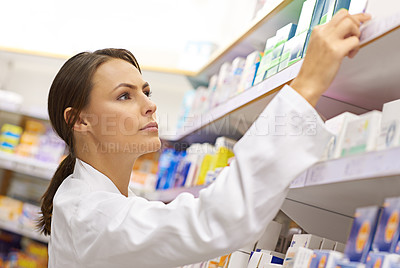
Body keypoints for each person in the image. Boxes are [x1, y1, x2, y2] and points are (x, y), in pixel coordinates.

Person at [38, 10, 371, 268]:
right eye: (125, 96)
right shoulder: (92, 215)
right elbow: (215, 220)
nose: (150, 105)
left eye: (146, 91)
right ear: (80, 120)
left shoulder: (97, 199)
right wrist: (307, 84)